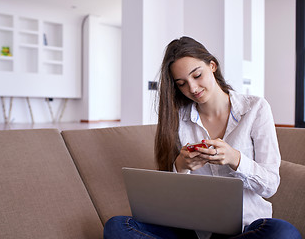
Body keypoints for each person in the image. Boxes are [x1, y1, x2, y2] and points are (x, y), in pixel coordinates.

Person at [103, 36, 302, 239]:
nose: (193, 88)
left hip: (246, 228)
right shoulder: (178, 118)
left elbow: (269, 186)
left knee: (283, 233)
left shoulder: (255, 109)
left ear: (212, 65)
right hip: (192, 230)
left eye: (197, 75)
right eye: (182, 84)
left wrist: (235, 159)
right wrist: (180, 167)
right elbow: (168, 202)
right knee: (118, 226)